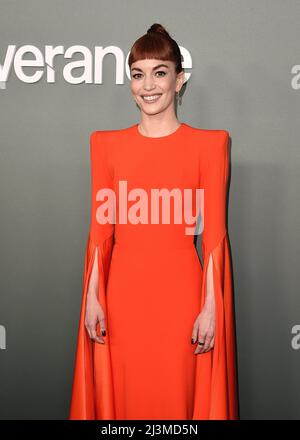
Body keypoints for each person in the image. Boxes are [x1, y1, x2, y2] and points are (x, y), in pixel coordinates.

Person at [69, 23, 239, 420]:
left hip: (182, 301)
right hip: (121, 301)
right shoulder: (105, 145)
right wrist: (92, 296)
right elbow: (101, 233)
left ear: (180, 81)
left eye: (160, 72)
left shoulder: (210, 146)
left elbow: (214, 236)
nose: (148, 85)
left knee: (178, 405)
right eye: (138, 74)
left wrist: (211, 308)